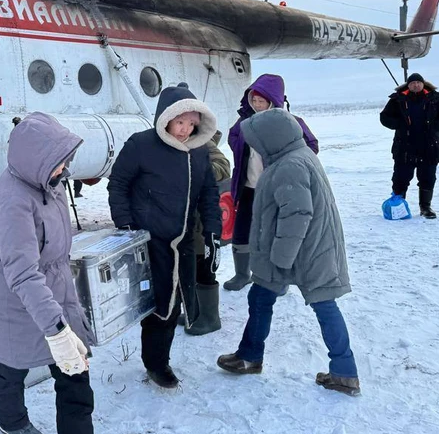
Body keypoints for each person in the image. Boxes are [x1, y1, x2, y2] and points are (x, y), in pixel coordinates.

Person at [217, 108, 360, 396]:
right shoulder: (296, 156)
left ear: (272, 137)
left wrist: (280, 260)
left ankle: (344, 372)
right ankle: (250, 356)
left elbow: (297, 215)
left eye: (257, 140)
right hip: (308, 247)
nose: (254, 146)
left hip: (302, 252)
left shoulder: (289, 166)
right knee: (262, 298)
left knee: (323, 306)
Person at [0, 112, 95, 434]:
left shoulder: (50, 184)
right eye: (58, 163)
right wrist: (57, 330)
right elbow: (22, 272)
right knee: (10, 362)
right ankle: (10, 419)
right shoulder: (11, 201)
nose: (64, 170)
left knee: (75, 379)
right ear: (36, 160)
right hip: (16, 300)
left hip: (53, 293)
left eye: (65, 162)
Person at [108, 84, 220, 388]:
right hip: (148, 240)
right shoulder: (141, 145)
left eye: (191, 123)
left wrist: (212, 230)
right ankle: (156, 364)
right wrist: (127, 227)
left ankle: (161, 359)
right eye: (180, 122)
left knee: (175, 304)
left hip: (182, 242)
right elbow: (117, 184)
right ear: (166, 118)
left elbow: (209, 192)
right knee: (158, 305)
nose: (185, 130)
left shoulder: (198, 152)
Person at [224, 74, 318, 291]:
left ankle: (280, 277)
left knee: (276, 232)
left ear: (273, 101)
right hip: (249, 186)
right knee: (242, 230)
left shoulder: (289, 123)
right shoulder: (244, 122)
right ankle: (241, 274)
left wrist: (289, 164)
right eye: (254, 100)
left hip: (276, 189)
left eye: (261, 101)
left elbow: (310, 147)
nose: (257, 105)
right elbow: (232, 138)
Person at [380, 72, 439, 219]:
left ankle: (425, 207)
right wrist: (399, 125)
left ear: (423, 84)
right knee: (401, 177)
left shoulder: (435, 98)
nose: (416, 85)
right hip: (405, 147)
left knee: (427, 177)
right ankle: (399, 206)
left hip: (429, 146)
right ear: (408, 85)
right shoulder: (398, 99)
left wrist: (436, 126)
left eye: (418, 82)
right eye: (412, 83)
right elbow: (384, 117)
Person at [182, 129, 232, 336]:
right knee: (189, 267)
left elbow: (224, 167)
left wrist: (195, 167)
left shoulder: (203, 143)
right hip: (184, 219)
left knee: (205, 267)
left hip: (203, 219)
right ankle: (194, 312)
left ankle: (211, 318)